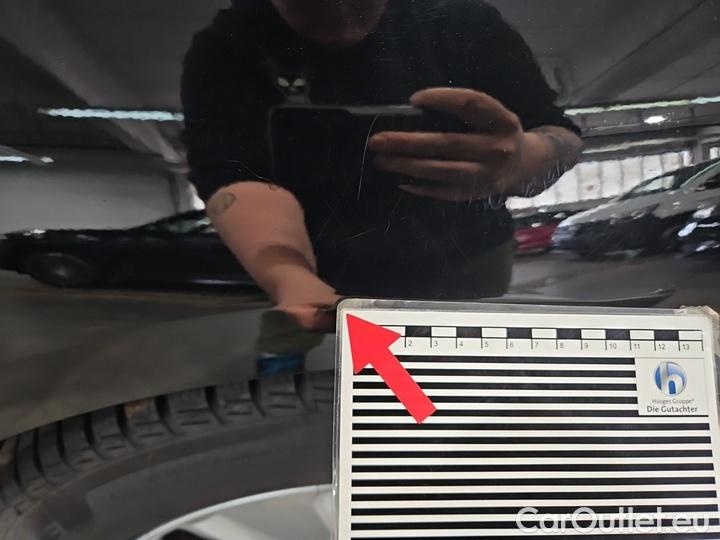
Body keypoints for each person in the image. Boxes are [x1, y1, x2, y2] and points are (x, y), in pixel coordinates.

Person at [182, 0, 583, 331]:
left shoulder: (464, 19)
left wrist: (521, 161)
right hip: (317, 272)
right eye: (307, 5)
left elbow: (558, 133)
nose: (343, 24)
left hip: (469, 262)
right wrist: (291, 277)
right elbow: (231, 173)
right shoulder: (227, 45)